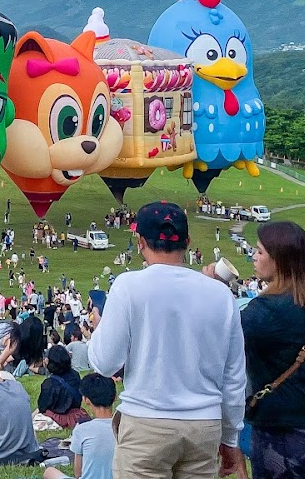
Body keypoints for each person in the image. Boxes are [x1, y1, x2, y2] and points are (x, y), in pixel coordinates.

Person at [89, 200, 246, 479]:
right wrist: (231, 437)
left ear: (140, 242)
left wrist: (100, 327)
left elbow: (104, 362)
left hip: (147, 422)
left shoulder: (128, 285)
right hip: (203, 424)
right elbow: (234, 377)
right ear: (187, 242)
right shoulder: (221, 295)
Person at [241, 221, 305, 479]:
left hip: (281, 424)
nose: (254, 257)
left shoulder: (264, 311)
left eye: (260, 251)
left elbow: (223, 345)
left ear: (280, 259)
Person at [44, 374, 118, 479]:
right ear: (115, 397)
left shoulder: (82, 429)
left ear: (85, 399)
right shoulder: (123, 427)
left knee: (49, 472)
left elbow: (78, 473)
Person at [37, 346, 87, 429]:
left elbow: (42, 407)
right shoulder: (75, 375)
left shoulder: (49, 383)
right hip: (76, 415)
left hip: (57, 418)